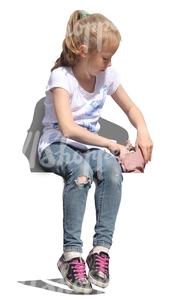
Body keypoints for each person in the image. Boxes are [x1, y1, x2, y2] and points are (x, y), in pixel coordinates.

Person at [37, 9, 153, 294]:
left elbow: (131, 108)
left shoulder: (107, 75)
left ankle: (100, 252)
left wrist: (143, 130)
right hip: (55, 145)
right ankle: (70, 255)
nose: (109, 63)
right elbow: (67, 128)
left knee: (112, 171)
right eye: (105, 57)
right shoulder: (61, 78)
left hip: (87, 146)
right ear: (83, 50)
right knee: (81, 171)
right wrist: (109, 143)